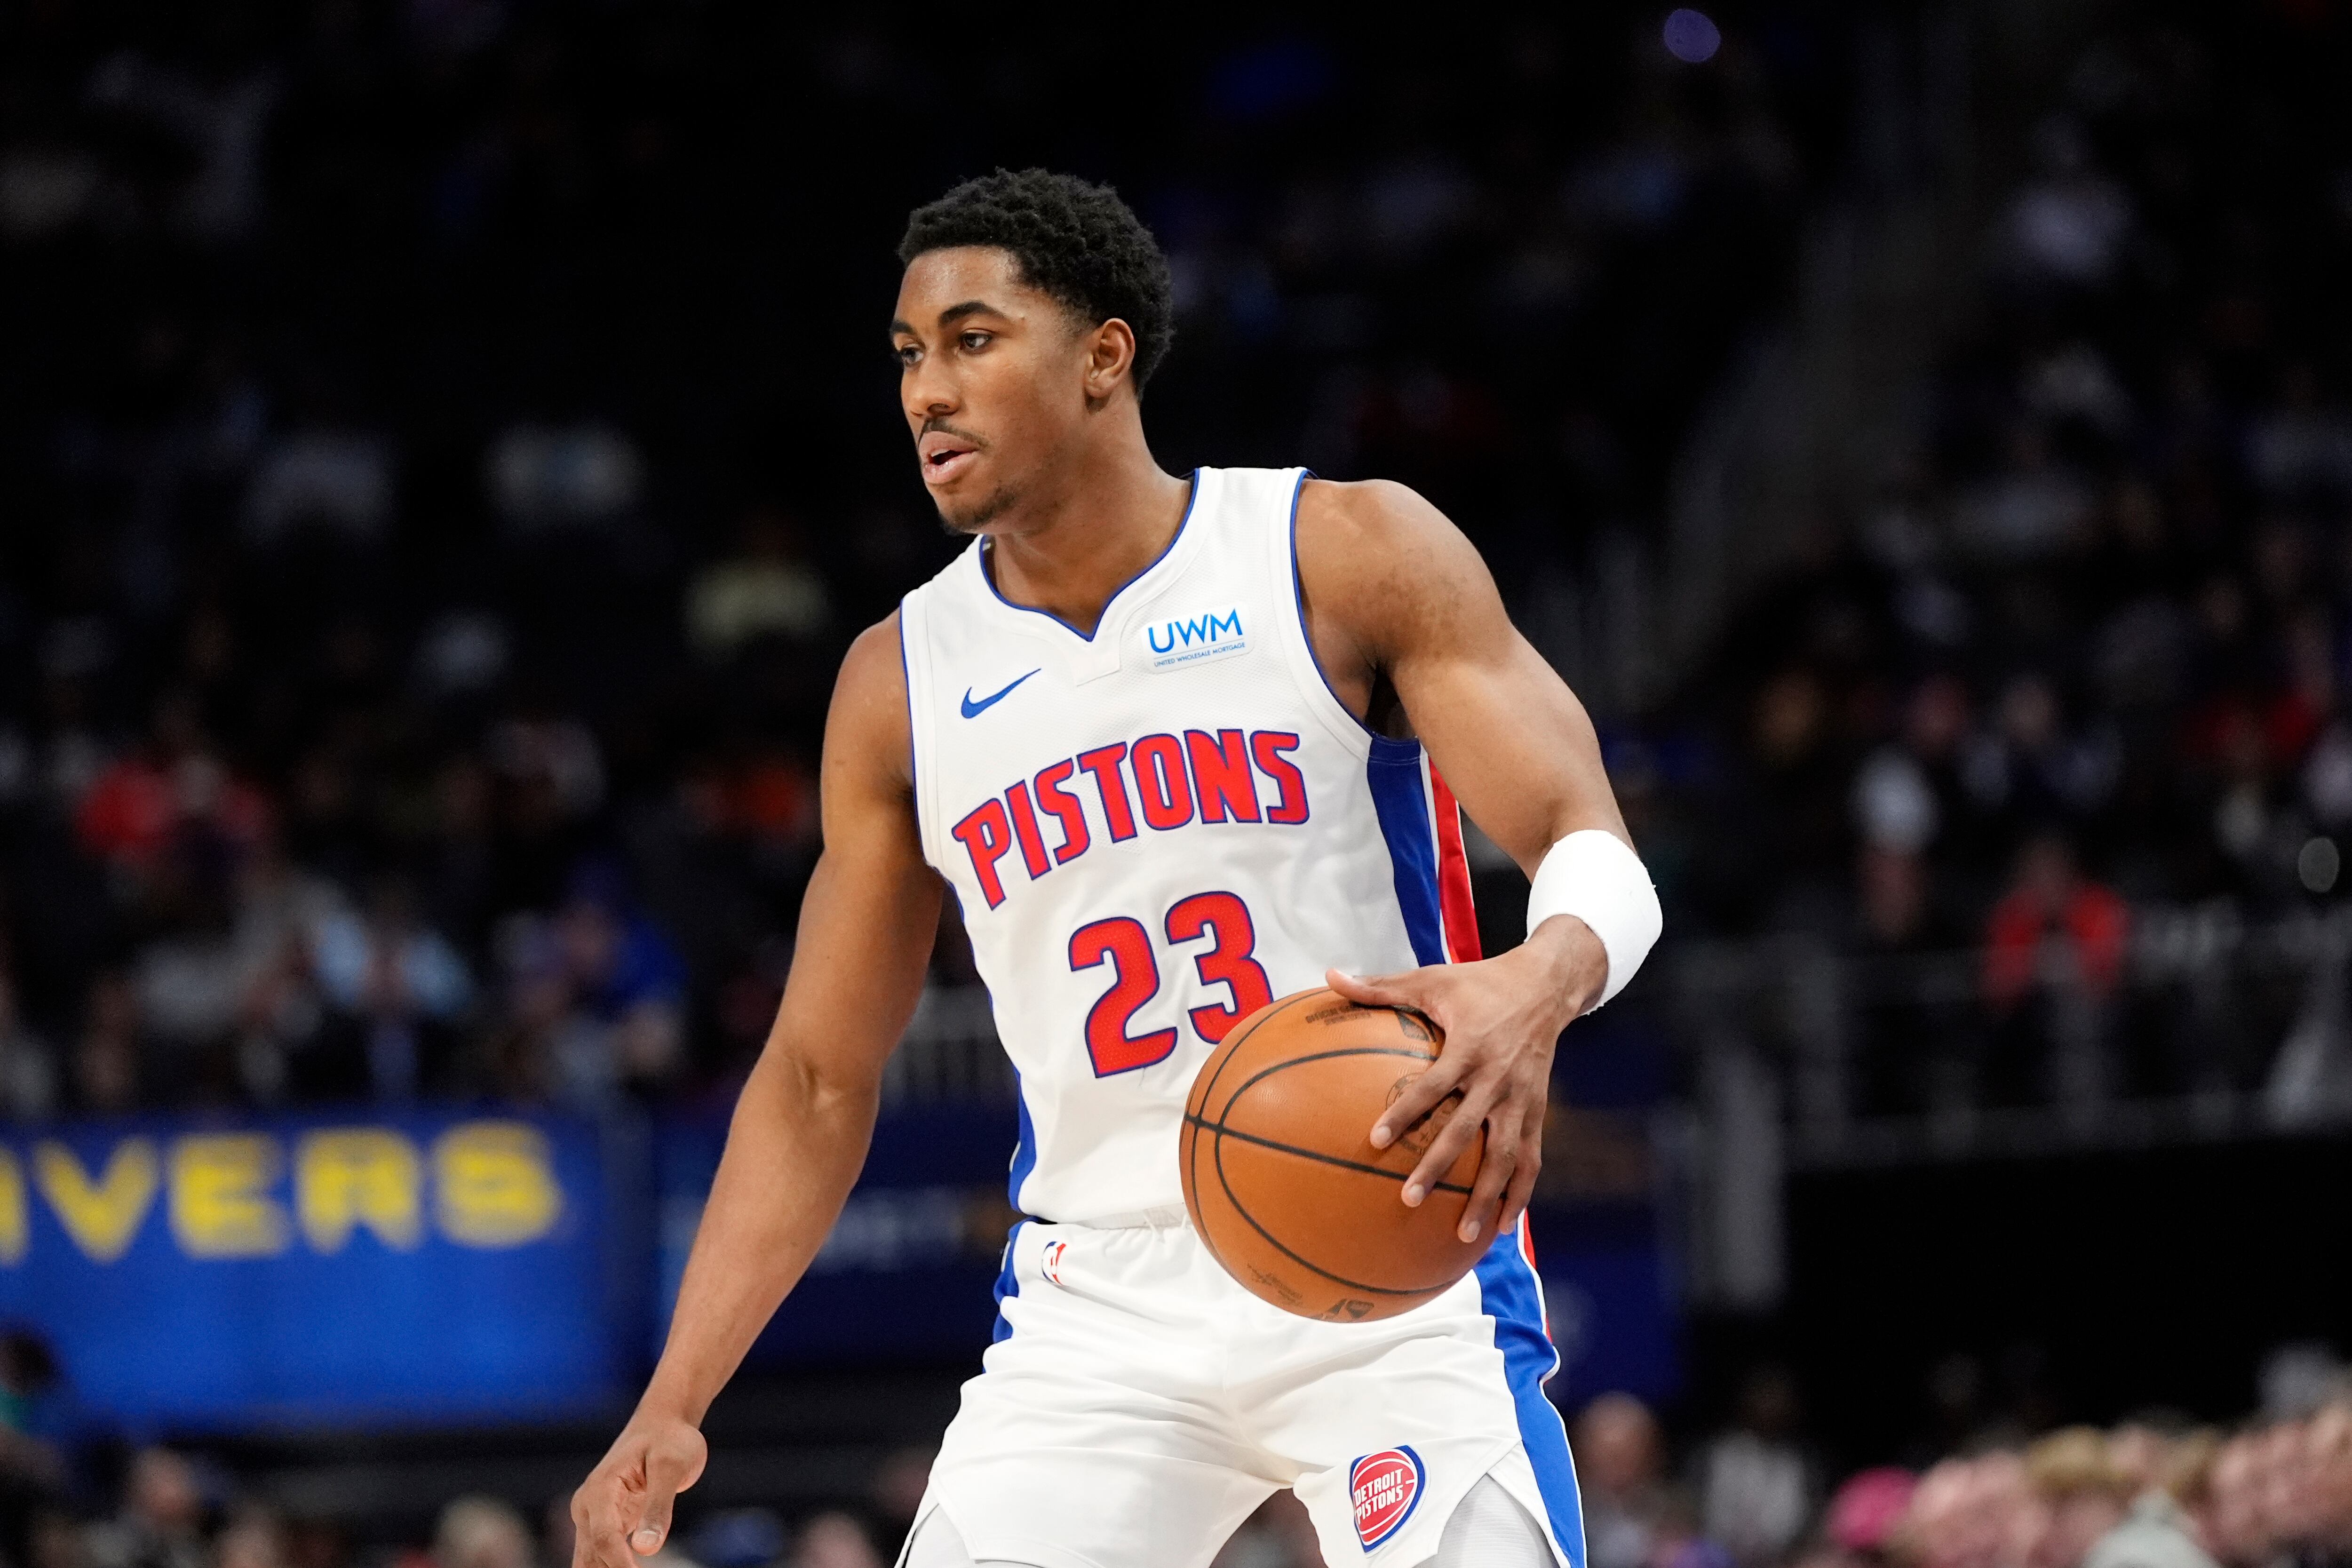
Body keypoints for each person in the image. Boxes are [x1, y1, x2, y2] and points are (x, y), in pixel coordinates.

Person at [570, 169, 1661, 1568]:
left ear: (1104, 355)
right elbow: (817, 1078)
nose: (925, 392)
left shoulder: (1338, 552)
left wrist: (1539, 982)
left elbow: (1596, 848)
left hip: (1389, 1241)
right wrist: (677, 1397)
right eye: (908, 356)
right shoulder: (899, 684)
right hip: (1101, 1299)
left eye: (972, 339)